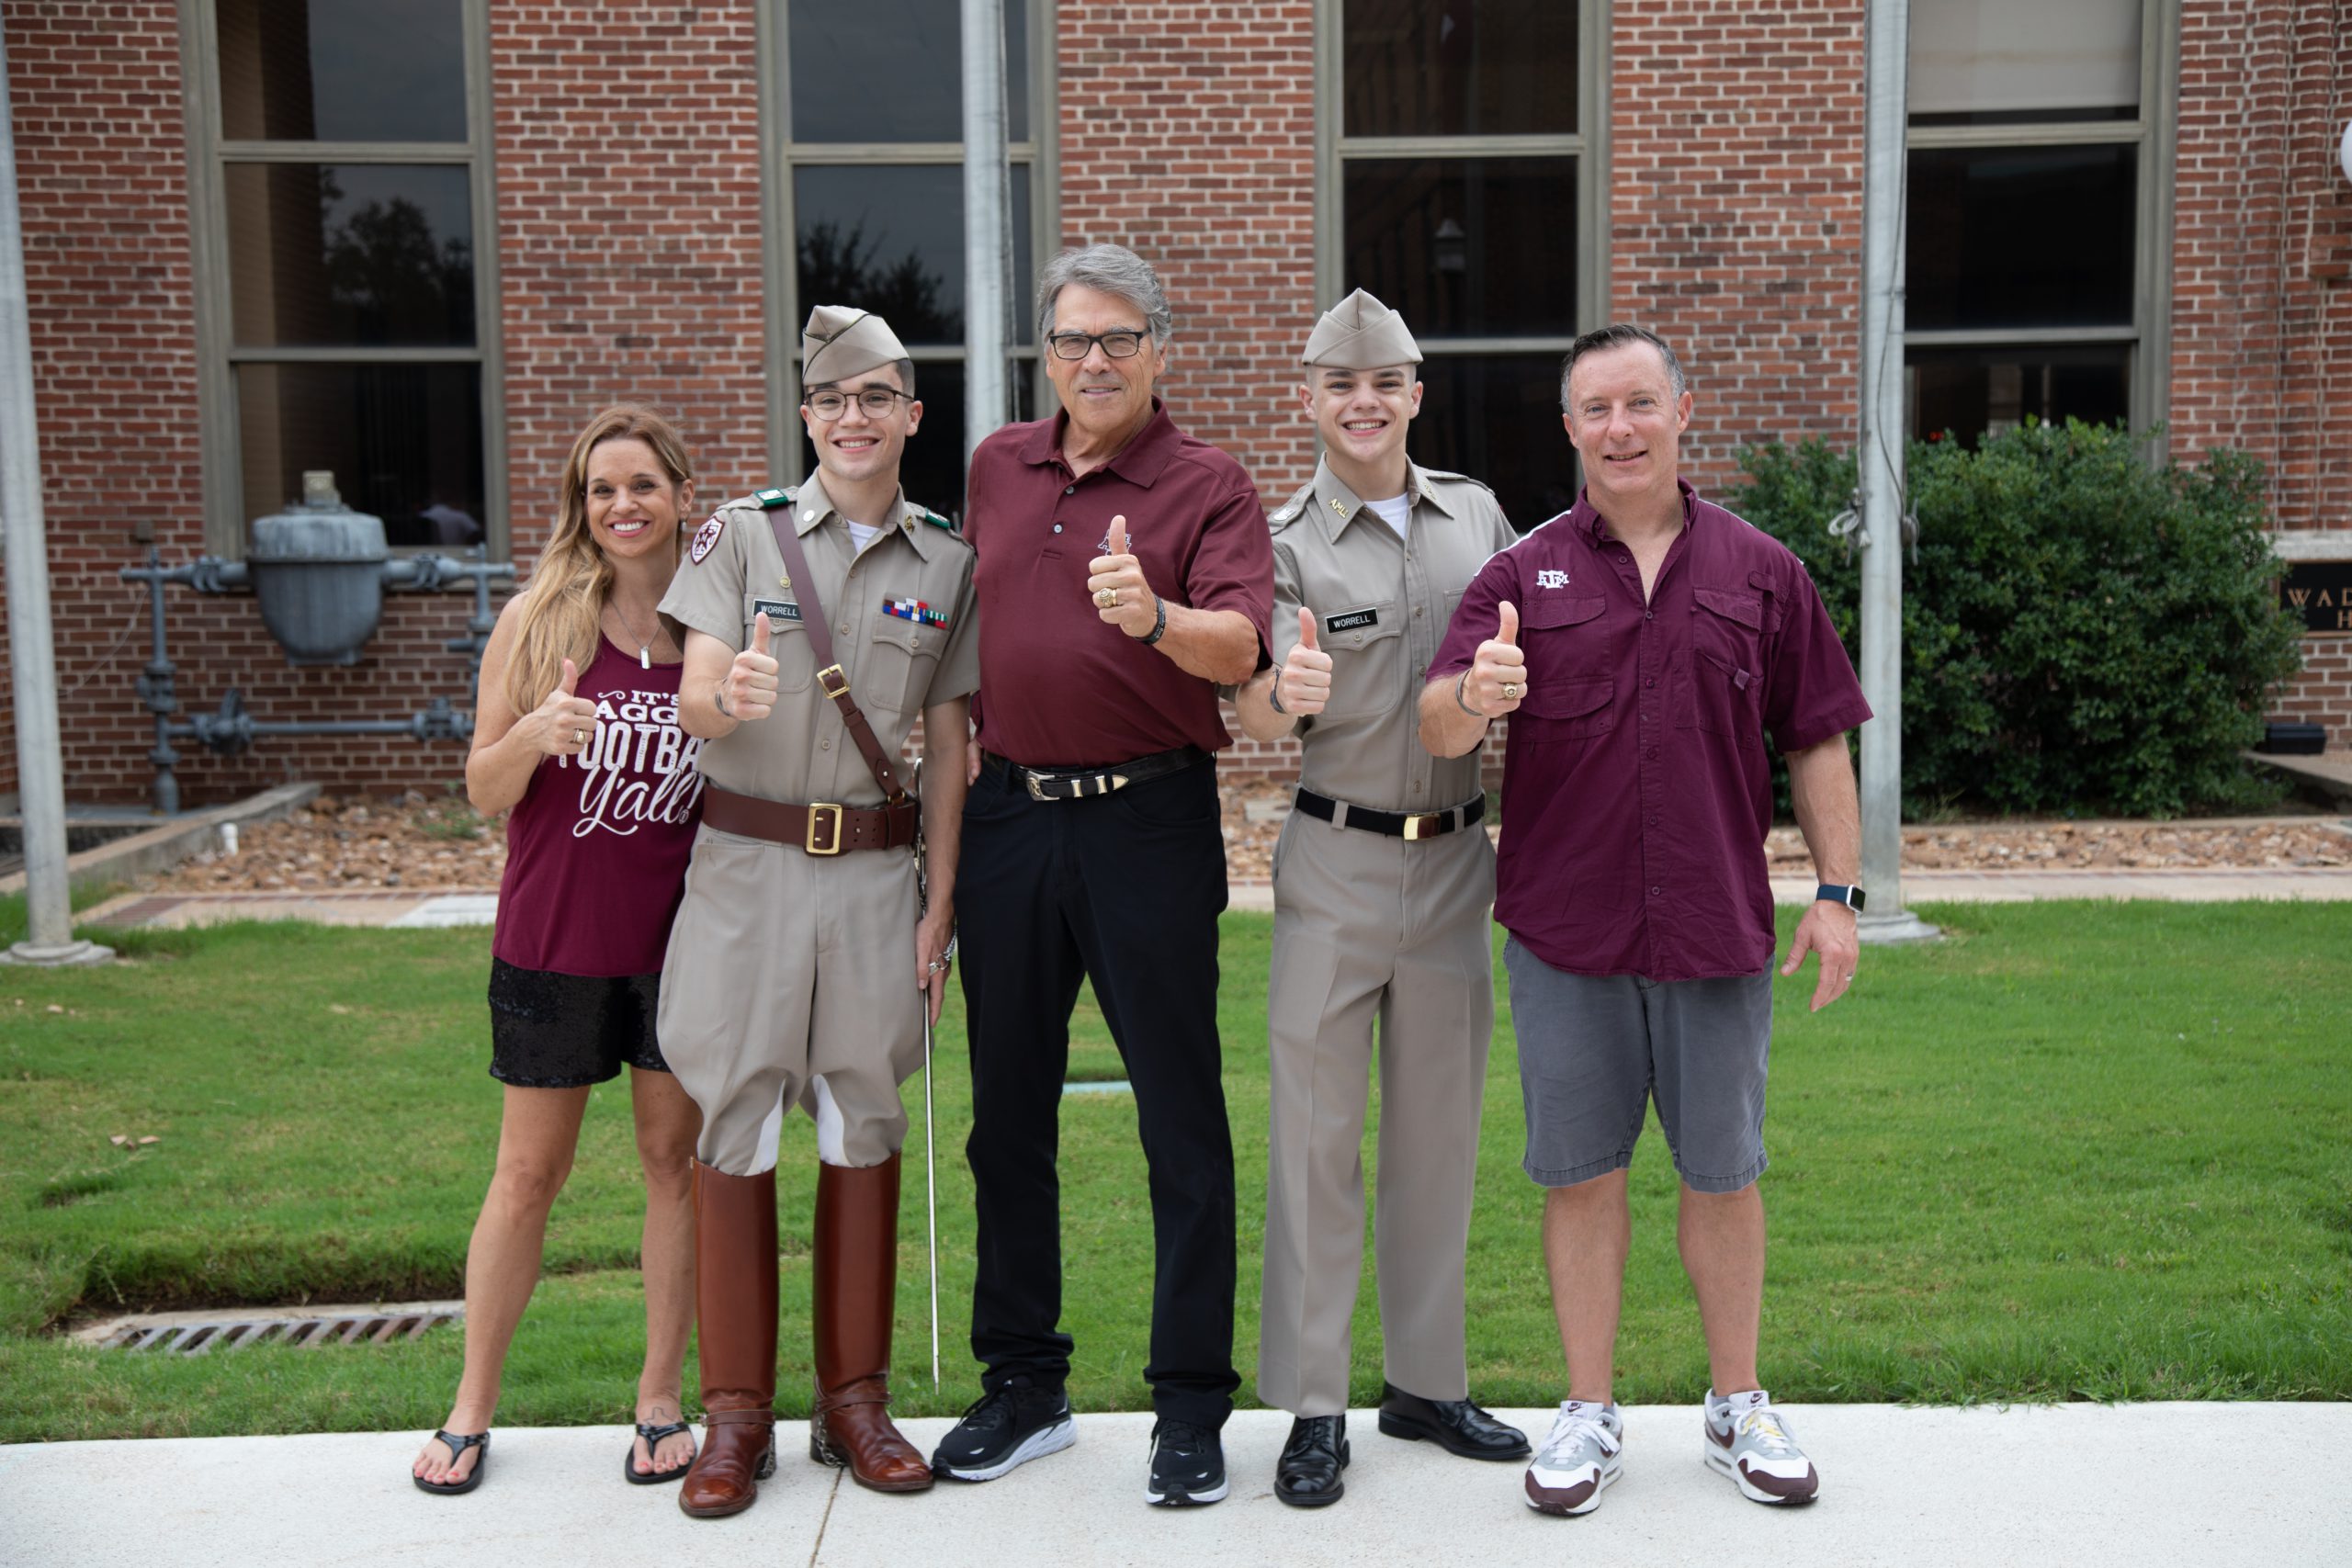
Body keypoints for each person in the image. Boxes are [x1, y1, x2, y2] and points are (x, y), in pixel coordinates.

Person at [1419, 323, 1871, 1517]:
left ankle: (1736, 1404)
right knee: (1581, 1175)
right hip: (1567, 935)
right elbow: (1437, 724)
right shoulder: (1519, 577)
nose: (1618, 428)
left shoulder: (1764, 572)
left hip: (1718, 927)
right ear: (1569, 430)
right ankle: (1587, 1410)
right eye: (1594, 410)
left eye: (1638, 403)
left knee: (1723, 1172)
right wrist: (1475, 693)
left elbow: (1818, 732)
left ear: (1681, 408)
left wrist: (1836, 893)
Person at [929, 243, 1272, 1507]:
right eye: (1074, 339)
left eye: (1119, 339)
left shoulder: (1208, 485)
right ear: (1047, 352)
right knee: (1004, 1117)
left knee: (1180, 1117)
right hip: (1015, 820)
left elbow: (1239, 646)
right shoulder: (996, 466)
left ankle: (1189, 1405)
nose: (1094, 360)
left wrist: (1152, 618)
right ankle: (1026, 1384)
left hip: (1147, 823)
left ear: (1159, 350)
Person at [657, 306, 978, 1518]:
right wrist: (728, 691)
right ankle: (733, 1416)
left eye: (878, 397)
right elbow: (696, 694)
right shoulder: (741, 537)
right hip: (745, 871)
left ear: (910, 414)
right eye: (833, 400)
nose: (855, 418)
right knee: (734, 1116)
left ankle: (854, 1401)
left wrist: (940, 904)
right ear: (808, 416)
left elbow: (949, 748)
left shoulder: (946, 562)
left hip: (870, 882)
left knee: (863, 1114)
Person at [1232, 289, 1529, 1508]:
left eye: (1385, 381)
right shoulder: (1282, 538)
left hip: (1458, 859)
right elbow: (1248, 708)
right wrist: (1282, 693)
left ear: (1415, 393)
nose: (1364, 401)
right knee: (1315, 1140)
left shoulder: (1480, 518)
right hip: (1337, 862)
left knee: (1437, 1135)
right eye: (1339, 383)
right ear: (1309, 398)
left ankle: (1425, 1378)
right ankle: (1314, 1402)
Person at [411, 404, 707, 1495]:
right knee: (527, 1175)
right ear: (581, 509)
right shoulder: (540, 622)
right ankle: (470, 1408)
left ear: (682, 494)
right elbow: (483, 788)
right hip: (553, 944)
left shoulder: (712, 622)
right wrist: (534, 734)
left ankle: (660, 1400)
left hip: (681, 951)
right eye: (600, 490)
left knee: (672, 1167)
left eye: (641, 485)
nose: (621, 507)